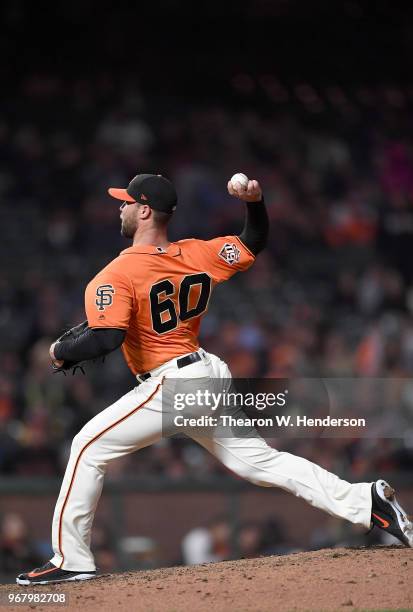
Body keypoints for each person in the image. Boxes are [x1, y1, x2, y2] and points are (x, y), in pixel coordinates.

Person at [17, 173, 413, 585]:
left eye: (127, 202)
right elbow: (253, 240)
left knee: (85, 446)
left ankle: (72, 559)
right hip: (205, 374)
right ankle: (365, 502)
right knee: (262, 463)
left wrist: (59, 351)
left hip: (174, 384)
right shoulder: (195, 253)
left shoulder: (117, 272)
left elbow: (106, 337)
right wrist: (255, 202)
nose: (121, 207)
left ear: (145, 209)